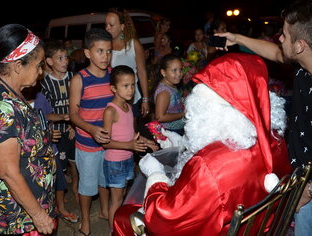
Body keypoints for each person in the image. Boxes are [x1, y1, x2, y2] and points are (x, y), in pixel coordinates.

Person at [112, 53, 292, 235]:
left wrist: (155, 174)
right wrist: (181, 141)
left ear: (212, 105)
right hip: (260, 228)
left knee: (122, 217)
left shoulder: (208, 165)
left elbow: (165, 220)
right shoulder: (276, 142)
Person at [214, 1, 312, 234]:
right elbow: (276, 53)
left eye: (285, 35)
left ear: (299, 46)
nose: (279, 38)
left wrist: (306, 192)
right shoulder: (302, 64)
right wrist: (237, 38)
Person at [0, 24, 56, 235]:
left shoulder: (11, 94)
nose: (41, 72)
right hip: (21, 218)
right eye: (38, 65)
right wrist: (38, 215)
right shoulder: (0, 106)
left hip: (31, 205)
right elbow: (8, 172)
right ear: (18, 66)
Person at [102, 65, 158, 234]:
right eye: (125, 86)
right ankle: (114, 230)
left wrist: (147, 141)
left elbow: (130, 134)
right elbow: (106, 142)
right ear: (113, 88)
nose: (131, 89)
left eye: (133, 85)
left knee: (124, 196)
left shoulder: (127, 107)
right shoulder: (111, 111)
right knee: (117, 200)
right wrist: (130, 146)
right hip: (114, 162)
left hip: (127, 159)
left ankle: (119, 227)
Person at [69, 28, 114, 236]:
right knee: (87, 187)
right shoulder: (80, 79)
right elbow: (73, 115)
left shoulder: (113, 76)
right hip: (87, 143)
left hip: (109, 142)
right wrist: (91, 129)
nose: (105, 56)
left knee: (105, 180)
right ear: (88, 53)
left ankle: (105, 211)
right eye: (100, 51)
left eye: (109, 51)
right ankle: (85, 221)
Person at [40, 40, 79, 223]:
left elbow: (79, 103)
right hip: (56, 132)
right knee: (60, 168)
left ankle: (76, 190)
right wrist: (63, 120)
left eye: (66, 57)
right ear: (49, 61)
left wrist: (74, 124)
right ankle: (60, 204)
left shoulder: (73, 77)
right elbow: (44, 112)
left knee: (75, 162)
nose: (64, 61)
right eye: (59, 58)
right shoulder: (45, 83)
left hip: (73, 128)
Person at [105, 8, 150, 124]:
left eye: (111, 25)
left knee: (131, 129)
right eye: (106, 25)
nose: (107, 28)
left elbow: (142, 72)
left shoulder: (133, 45)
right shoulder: (106, 47)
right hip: (113, 96)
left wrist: (145, 99)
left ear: (122, 26)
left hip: (131, 96)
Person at [153, 54, 185, 135]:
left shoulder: (171, 85)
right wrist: (183, 114)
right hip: (170, 132)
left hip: (176, 130)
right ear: (163, 72)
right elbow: (160, 117)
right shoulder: (164, 92)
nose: (179, 74)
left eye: (180, 70)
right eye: (174, 70)